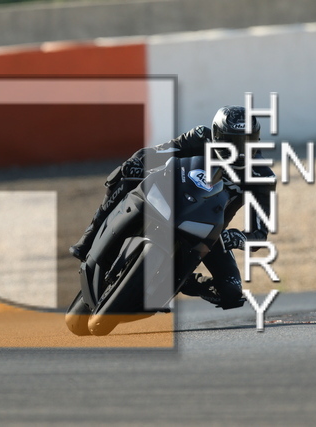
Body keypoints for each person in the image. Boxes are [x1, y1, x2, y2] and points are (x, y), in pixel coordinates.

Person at [70, 106, 277, 309]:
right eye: (231, 141)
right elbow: (156, 152)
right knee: (125, 174)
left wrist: (238, 238)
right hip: (169, 199)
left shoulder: (262, 176)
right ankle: (89, 237)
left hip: (208, 230)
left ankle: (183, 281)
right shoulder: (200, 137)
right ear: (216, 135)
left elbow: (259, 234)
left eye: (247, 141)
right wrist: (137, 163)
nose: (239, 149)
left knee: (231, 292)